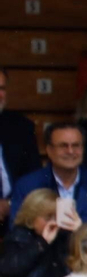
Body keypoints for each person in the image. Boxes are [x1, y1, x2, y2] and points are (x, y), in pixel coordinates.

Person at [12, 122, 87, 228]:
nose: (70, 151)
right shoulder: (27, 186)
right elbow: (17, 233)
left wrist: (80, 231)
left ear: (83, 149)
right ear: (49, 150)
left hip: (86, 244)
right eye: (63, 146)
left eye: (76, 145)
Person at [0, 69, 40, 227]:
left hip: (16, 216)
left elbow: (33, 177)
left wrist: (10, 204)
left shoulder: (21, 127)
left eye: (2, 88)